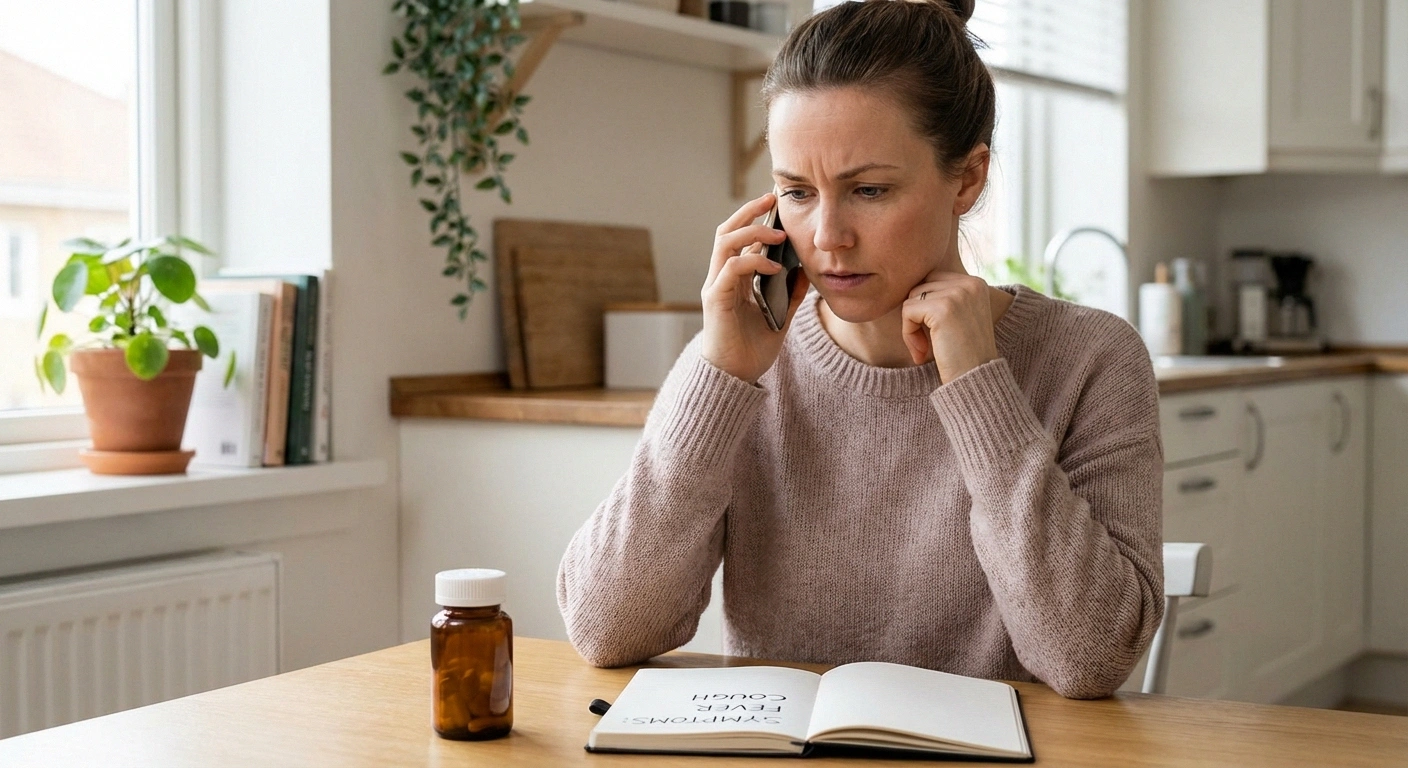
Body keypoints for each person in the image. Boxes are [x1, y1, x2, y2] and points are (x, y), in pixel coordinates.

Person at [557, 0, 1163, 699]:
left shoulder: (1093, 358)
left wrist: (978, 386)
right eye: (797, 192)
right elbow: (606, 629)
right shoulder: (745, 361)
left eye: (869, 189)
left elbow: (1090, 660)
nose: (828, 236)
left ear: (966, 179)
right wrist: (719, 375)